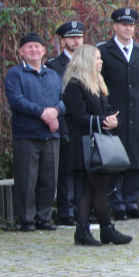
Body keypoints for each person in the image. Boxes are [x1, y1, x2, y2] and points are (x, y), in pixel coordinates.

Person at [60, 45, 132, 246]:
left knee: (99, 187)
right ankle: (87, 231)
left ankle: (102, 230)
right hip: (84, 143)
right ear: (86, 61)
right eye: (97, 58)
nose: (101, 62)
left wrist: (114, 121)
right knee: (87, 187)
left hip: (97, 141)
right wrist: (103, 120)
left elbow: (106, 109)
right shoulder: (74, 85)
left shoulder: (97, 83)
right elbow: (79, 117)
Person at [99, 7, 139, 220]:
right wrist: (106, 113)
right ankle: (117, 205)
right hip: (115, 115)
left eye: (131, 25)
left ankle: (131, 203)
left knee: (136, 161)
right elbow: (100, 86)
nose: (128, 28)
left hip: (138, 114)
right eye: (124, 25)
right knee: (116, 161)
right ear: (115, 27)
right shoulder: (104, 51)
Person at [4, 32, 63, 231]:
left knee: (49, 179)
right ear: (21, 51)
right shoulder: (15, 74)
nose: (34, 50)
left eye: (37, 46)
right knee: (26, 180)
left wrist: (55, 111)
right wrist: (42, 113)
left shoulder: (53, 75)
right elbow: (16, 101)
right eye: (29, 47)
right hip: (27, 135)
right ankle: (27, 220)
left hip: (51, 135)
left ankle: (44, 217)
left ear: (44, 50)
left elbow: (64, 100)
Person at [46, 21, 86, 226]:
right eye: (72, 38)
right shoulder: (53, 65)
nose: (76, 41)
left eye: (79, 37)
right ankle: (66, 211)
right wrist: (61, 128)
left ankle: (82, 209)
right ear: (62, 41)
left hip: (85, 123)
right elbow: (52, 98)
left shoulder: (89, 63)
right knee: (66, 171)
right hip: (66, 123)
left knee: (84, 170)